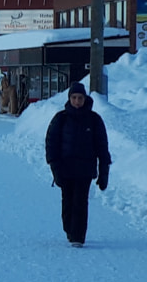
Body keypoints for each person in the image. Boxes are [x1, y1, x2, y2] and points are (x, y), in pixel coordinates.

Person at [45, 81, 111, 247]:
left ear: (85, 98)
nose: (77, 101)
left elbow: (102, 147)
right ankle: (70, 230)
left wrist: (104, 172)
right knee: (67, 201)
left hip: (85, 169)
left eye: (80, 98)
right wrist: (55, 167)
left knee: (80, 202)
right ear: (69, 98)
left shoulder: (94, 120)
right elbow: (51, 143)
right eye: (74, 97)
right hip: (65, 168)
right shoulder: (61, 118)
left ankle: (78, 236)